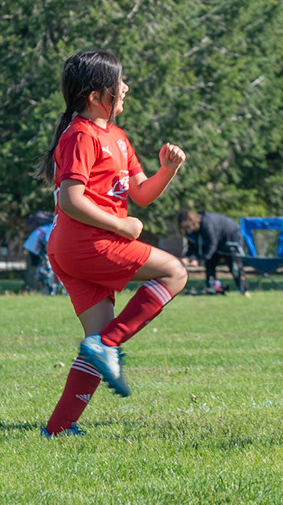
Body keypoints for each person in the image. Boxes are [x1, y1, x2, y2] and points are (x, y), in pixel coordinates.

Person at [36, 50, 187, 436]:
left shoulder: (117, 137)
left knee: (95, 339)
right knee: (175, 272)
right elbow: (72, 199)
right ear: (96, 96)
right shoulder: (82, 135)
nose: (126, 87)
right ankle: (109, 344)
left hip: (74, 249)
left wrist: (166, 171)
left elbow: (141, 194)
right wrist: (120, 227)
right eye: (119, 82)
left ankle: (58, 427)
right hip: (86, 244)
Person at [178, 209, 246, 295]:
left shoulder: (206, 223)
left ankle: (244, 290)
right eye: (184, 228)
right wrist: (188, 257)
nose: (187, 230)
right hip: (217, 242)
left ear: (192, 221)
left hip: (230, 237)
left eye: (187, 227)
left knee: (234, 266)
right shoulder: (194, 229)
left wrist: (199, 261)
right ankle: (211, 289)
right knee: (210, 264)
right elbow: (192, 245)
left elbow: (212, 244)